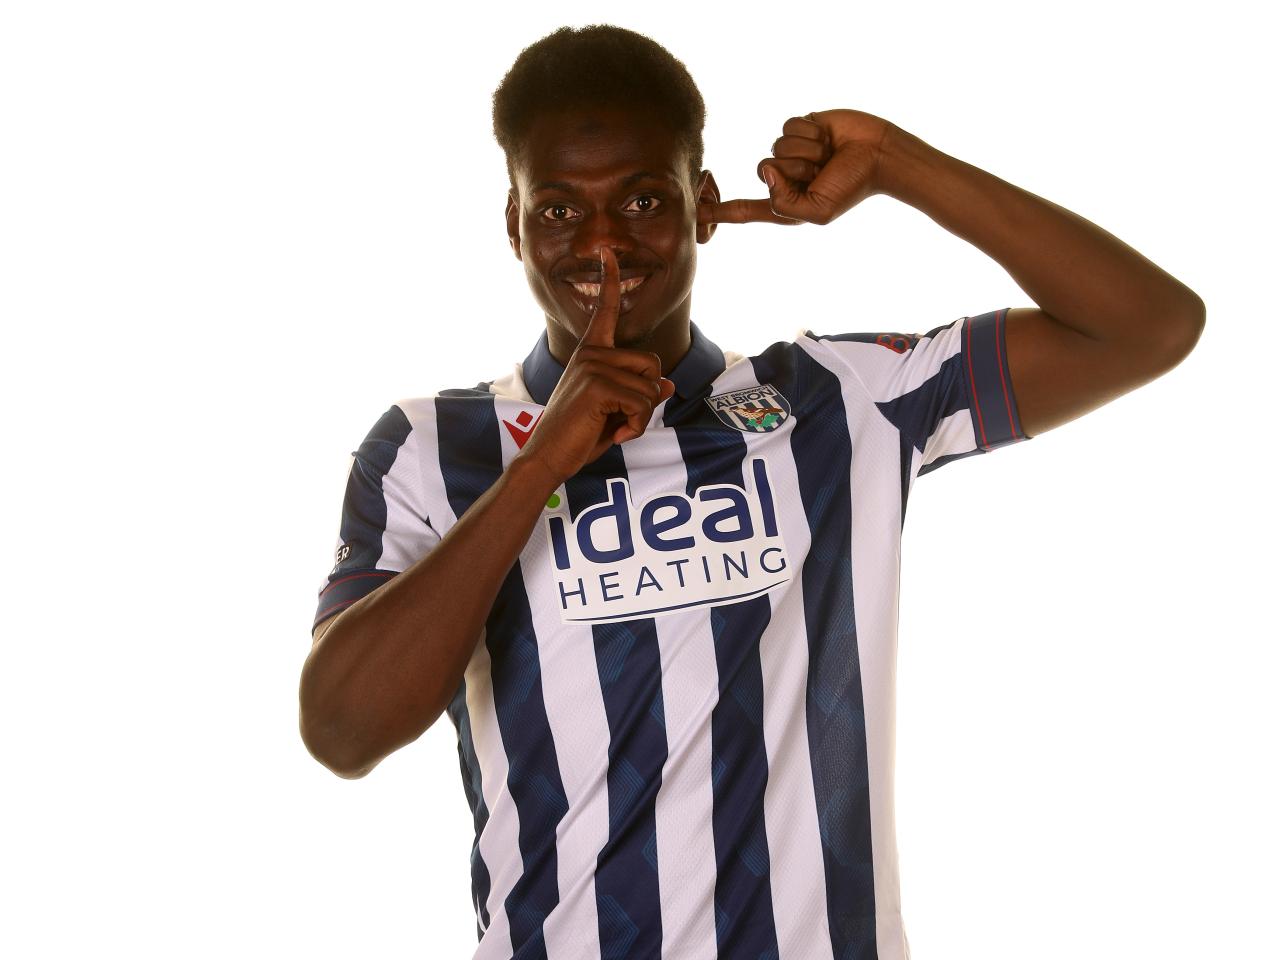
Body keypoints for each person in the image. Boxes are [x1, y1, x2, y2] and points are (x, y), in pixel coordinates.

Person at [298, 24, 1204, 960]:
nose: (602, 242)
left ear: (701, 207)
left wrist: (895, 161)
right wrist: (537, 470)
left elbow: (1148, 326)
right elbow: (341, 732)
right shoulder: (431, 446)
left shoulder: (837, 400)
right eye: (560, 209)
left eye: (642, 200)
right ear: (514, 225)